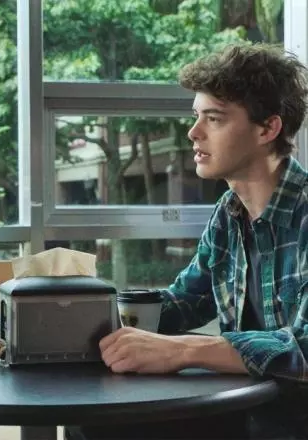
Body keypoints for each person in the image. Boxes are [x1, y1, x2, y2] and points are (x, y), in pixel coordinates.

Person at [67, 43, 308, 439]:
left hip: (292, 425)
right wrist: (65, 317)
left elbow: (304, 347)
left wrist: (182, 351)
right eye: (196, 116)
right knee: (94, 423)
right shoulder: (229, 215)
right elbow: (183, 302)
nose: (193, 132)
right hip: (247, 414)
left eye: (213, 118)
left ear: (268, 129)